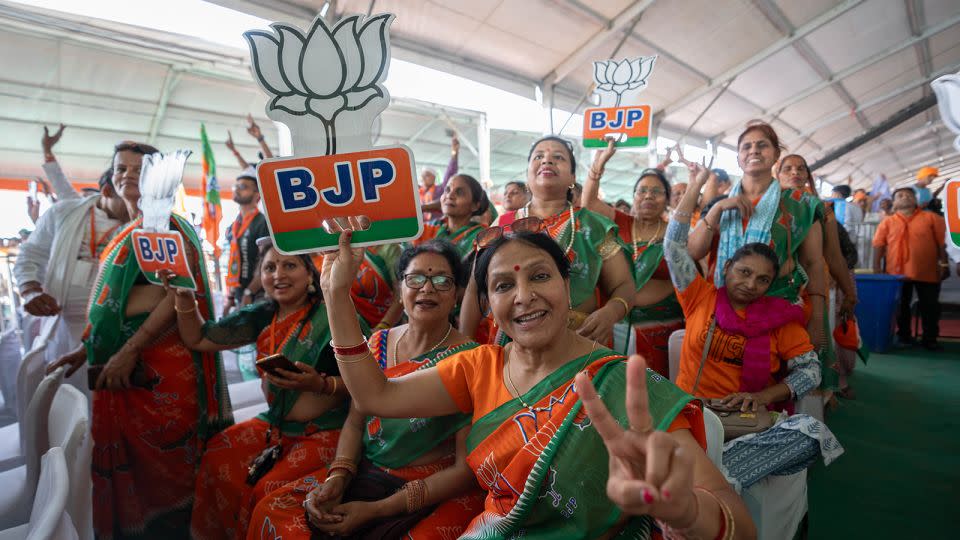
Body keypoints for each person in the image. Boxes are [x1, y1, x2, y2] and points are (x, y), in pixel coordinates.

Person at [318, 228, 755, 539]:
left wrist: (686, 513)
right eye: (504, 285)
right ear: (489, 307)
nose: (524, 295)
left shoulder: (622, 384)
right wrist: (337, 297)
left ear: (567, 286)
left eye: (540, 276)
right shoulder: (478, 366)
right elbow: (376, 394)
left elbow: (737, 521)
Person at [48, 142, 233, 538]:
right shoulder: (131, 229)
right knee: (141, 474)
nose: (127, 174)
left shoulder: (163, 225)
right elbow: (113, 303)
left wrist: (129, 350)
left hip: (159, 372)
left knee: (170, 475)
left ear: (156, 177)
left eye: (138, 168)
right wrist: (85, 350)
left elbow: (175, 294)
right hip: (128, 373)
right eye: (121, 168)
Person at [251, 241, 485, 539]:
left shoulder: (472, 359)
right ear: (400, 290)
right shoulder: (378, 343)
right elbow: (354, 421)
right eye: (415, 279)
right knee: (273, 512)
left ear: (456, 295)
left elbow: (463, 470)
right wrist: (339, 476)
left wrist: (378, 509)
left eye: (442, 280)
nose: (427, 289)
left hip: (427, 483)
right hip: (367, 470)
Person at [178, 239, 353, 539]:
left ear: (311, 274)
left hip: (326, 431)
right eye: (269, 267)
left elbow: (368, 383)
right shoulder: (261, 315)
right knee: (217, 452)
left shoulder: (335, 316)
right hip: (276, 425)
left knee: (263, 487)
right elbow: (199, 339)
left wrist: (320, 384)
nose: (278, 274)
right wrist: (183, 294)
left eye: (289, 265)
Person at [664, 200, 843, 492]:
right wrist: (707, 197)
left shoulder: (779, 320)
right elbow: (673, 248)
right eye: (744, 272)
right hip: (692, 413)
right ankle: (716, 480)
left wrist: (762, 397)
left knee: (810, 434)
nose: (750, 284)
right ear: (727, 267)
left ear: (770, 285)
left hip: (745, 422)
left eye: (762, 280)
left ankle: (709, 478)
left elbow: (811, 371)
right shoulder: (699, 296)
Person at [460, 136, 637, 346]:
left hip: (578, 342)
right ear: (527, 175)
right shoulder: (503, 224)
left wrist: (610, 312)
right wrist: (465, 346)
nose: (547, 161)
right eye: (539, 156)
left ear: (572, 177)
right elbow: (474, 288)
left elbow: (624, 285)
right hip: (511, 343)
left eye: (558, 157)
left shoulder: (594, 226)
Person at [686, 123, 828, 353]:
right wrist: (718, 209)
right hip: (723, 309)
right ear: (739, 158)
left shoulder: (800, 204)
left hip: (777, 309)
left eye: (762, 145)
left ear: (776, 155)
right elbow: (693, 251)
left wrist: (819, 317)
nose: (754, 150)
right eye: (746, 147)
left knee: (772, 378)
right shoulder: (719, 203)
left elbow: (814, 262)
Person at [16, 159, 130, 397]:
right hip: (62, 327)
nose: (133, 205)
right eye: (125, 198)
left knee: (110, 402)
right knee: (68, 396)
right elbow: (31, 253)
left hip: (115, 330)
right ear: (107, 191)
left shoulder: (135, 225)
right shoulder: (63, 212)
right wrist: (30, 289)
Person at [581, 139, 685, 376]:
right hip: (618, 324)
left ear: (667, 200)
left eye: (657, 192)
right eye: (643, 191)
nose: (649, 196)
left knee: (657, 392)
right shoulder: (622, 222)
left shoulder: (674, 232)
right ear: (634, 196)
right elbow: (588, 202)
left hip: (662, 329)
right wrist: (599, 164)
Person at [872, 187, 949, 350]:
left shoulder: (931, 218)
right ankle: (904, 336)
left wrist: (944, 264)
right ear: (894, 202)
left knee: (930, 306)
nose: (905, 197)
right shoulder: (887, 221)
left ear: (916, 200)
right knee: (901, 307)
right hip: (896, 273)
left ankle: (930, 339)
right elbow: (879, 245)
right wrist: (876, 268)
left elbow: (941, 243)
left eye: (909, 195)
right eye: (900, 195)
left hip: (926, 270)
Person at [225, 168, 271, 313]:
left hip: (258, 294)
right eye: (236, 186)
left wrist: (249, 292)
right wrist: (231, 297)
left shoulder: (262, 222)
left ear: (257, 195)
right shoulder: (234, 225)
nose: (237, 189)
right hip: (239, 292)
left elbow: (264, 261)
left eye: (243, 187)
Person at [415, 173, 490, 258]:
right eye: (447, 190)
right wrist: (423, 208)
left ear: (475, 206)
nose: (449, 195)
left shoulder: (482, 237)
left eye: (460, 192)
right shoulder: (432, 228)